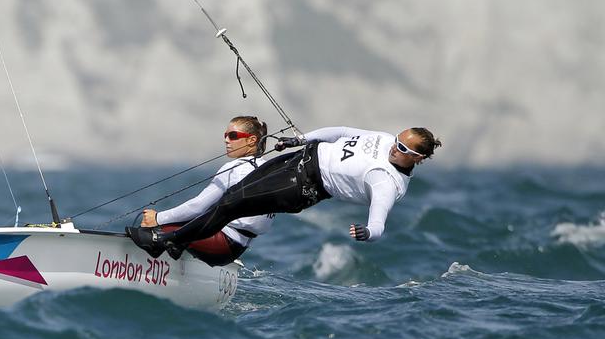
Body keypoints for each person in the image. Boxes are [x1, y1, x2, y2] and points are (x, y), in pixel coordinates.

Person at [127, 125, 442, 259]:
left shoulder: (388, 182)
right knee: (234, 192)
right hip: (297, 159)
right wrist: (300, 140)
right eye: (396, 140)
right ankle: (182, 241)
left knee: (230, 205)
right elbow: (343, 132)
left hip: (302, 187)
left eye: (401, 148)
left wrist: (367, 233)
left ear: (417, 157)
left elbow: (379, 222)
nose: (393, 148)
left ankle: (164, 240)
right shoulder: (386, 140)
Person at [135, 115, 275, 266]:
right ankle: (178, 256)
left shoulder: (235, 168)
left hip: (220, 244)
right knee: (187, 221)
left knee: (157, 229)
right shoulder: (269, 169)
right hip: (237, 247)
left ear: (251, 140)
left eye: (233, 136)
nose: (226, 140)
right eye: (225, 135)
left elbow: (197, 206)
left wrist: (157, 218)